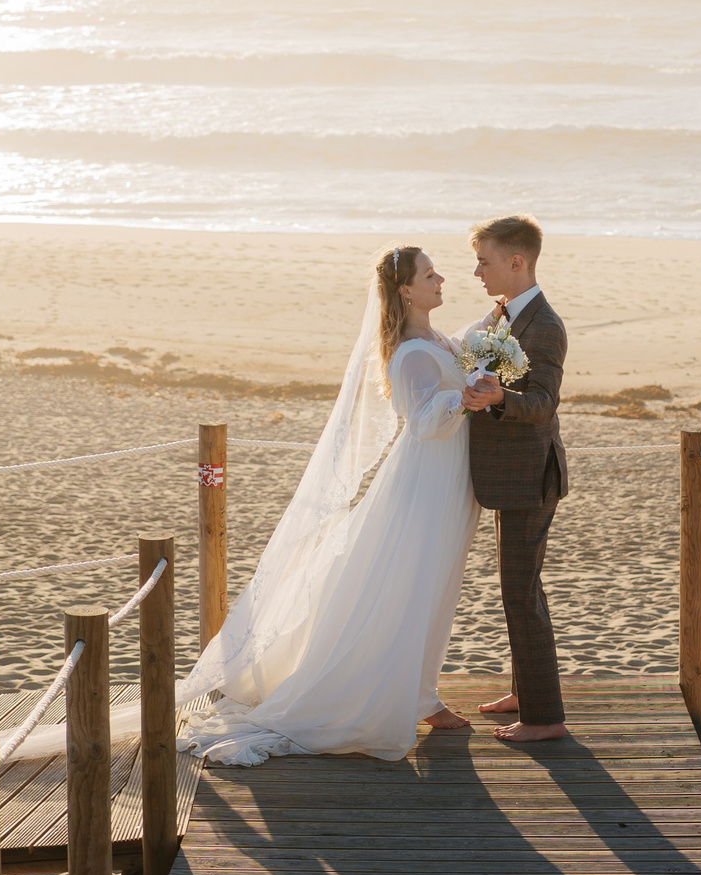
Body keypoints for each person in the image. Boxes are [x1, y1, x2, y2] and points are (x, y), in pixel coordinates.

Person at [174, 245, 484, 764]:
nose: (442, 279)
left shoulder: (436, 339)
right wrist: (465, 397)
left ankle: (423, 692)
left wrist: (486, 342)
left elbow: (459, 360)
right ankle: (414, 697)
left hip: (451, 480)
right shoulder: (409, 352)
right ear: (406, 289)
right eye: (431, 275)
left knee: (439, 584)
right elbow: (424, 419)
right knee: (414, 584)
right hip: (425, 482)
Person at [461, 214, 570, 743]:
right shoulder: (504, 314)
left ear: (516, 262)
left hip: (530, 477)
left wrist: (502, 398)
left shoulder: (544, 325)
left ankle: (545, 718)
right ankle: (525, 690)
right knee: (520, 589)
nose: (477, 271)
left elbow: (544, 404)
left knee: (520, 593)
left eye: (484, 261)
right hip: (508, 475)